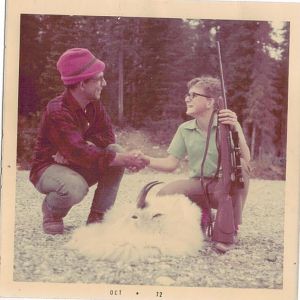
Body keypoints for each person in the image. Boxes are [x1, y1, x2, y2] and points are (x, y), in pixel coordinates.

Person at [30, 48, 149, 235]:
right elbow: (79, 152)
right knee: (74, 187)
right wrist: (125, 159)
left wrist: (84, 147)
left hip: (75, 163)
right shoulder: (57, 111)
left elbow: (107, 137)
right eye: (99, 79)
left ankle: (99, 218)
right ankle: (52, 213)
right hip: (47, 167)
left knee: (114, 149)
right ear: (82, 84)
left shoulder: (94, 104)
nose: (105, 83)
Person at [142, 76, 251, 252]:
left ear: (210, 102)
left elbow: (247, 160)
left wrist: (236, 127)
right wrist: (145, 160)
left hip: (224, 187)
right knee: (164, 193)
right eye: (187, 95)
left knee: (243, 170)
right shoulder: (184, 129)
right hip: (198, 185)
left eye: (193, 95)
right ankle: (202, 216)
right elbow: (170, 164)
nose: (187, 99)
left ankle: (231, 227)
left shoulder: (228, 126)